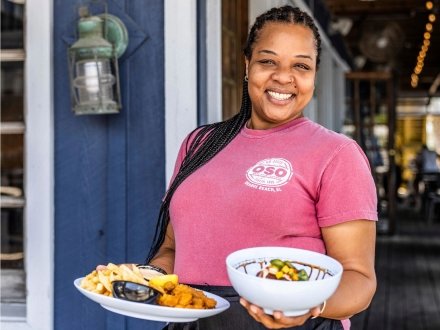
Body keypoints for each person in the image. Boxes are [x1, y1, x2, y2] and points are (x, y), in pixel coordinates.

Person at [145, 6, 377, 330]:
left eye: (301, 65)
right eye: (268, 61)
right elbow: (171, 248)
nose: (284, 77)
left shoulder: (336, 154)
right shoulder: (200, 143)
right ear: (247, 65)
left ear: (313, 76)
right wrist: (146, 282)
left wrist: (309, 306)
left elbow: (360, 279)